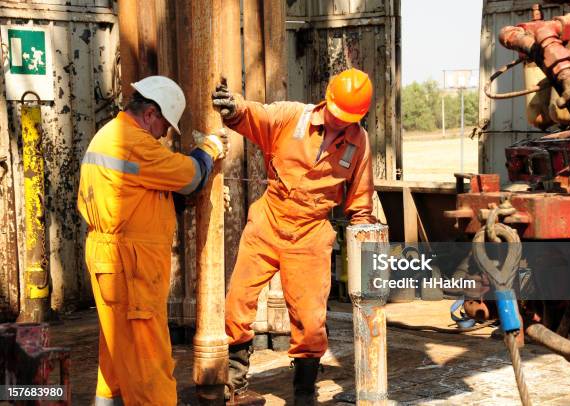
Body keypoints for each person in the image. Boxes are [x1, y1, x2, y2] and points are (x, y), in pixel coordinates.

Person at [213, 68, 377, 405]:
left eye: (346, 118)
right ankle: (236, 384)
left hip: (312, 231)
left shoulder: (359, 143)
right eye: (334, 113)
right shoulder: (293, 116)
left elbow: (360, 198)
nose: (337, 121)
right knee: (237, 302)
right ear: (326, 101)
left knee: (310, 320)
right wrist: (235, 108)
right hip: (268, 220)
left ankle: (304, 393)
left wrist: (365, 236)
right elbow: (256, 115)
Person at [77, 75, 228, 406]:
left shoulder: (108, 136)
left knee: (116, 357)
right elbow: (190, 177)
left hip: (111, 260)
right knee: (149, 362)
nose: (164, 135)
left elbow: (139, 196)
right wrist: (209, 149)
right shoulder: (132, 143)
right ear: (150, 114)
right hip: (130, 266)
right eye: (165, 127)